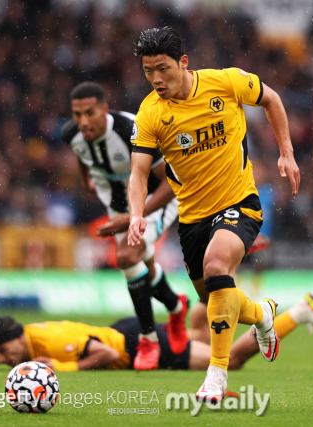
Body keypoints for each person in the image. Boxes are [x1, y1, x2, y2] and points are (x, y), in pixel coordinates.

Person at [127, 27, 300, 402]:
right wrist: (136, 214)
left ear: (184, 62)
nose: (156, 79)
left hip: (240, 203)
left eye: (163, 68)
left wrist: (285, 151)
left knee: (217, 265)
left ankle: (216, 375)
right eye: (147, 71)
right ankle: (263, 315)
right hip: (192, 220)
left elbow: (271, 99)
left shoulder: (226, 83)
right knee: (216, 298)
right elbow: (139, 172)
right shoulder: (150, 113)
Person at [62, 81, 188, 370]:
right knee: (143, 264)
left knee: (128, 257)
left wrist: (136, 215)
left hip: (157, 197)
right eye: (77, 114)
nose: (83, 121)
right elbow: (82, 154)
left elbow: (170, 181)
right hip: (120, 202)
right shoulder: (71, 134)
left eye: (89, 113)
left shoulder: (131, 131)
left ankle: (148, 339)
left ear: (104, 110)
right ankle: (176, 307)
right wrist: (85, 180)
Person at [0, 295, 313, 373]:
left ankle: (298, 313)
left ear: (17, 338)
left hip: (131, 346)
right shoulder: (20, 346)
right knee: (200, 337)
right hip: (123, 331)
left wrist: (63, 369)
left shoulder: (50, 346)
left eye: (2, 352)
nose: (0, 359)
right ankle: (204, 297)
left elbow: (104, 357)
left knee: (228, 361)